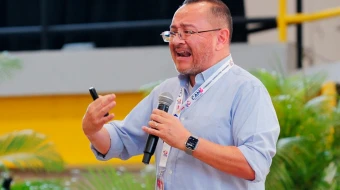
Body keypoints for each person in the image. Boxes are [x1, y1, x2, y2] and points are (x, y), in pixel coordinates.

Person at [82, 0, 280, 189]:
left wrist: (188, 141)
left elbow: (255, 164)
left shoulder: (247, 90)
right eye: (173, 33)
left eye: (188, 32)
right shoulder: (167, 91)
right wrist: (93, 129)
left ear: (220, 38)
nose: (177, 41)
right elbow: (122, 140)